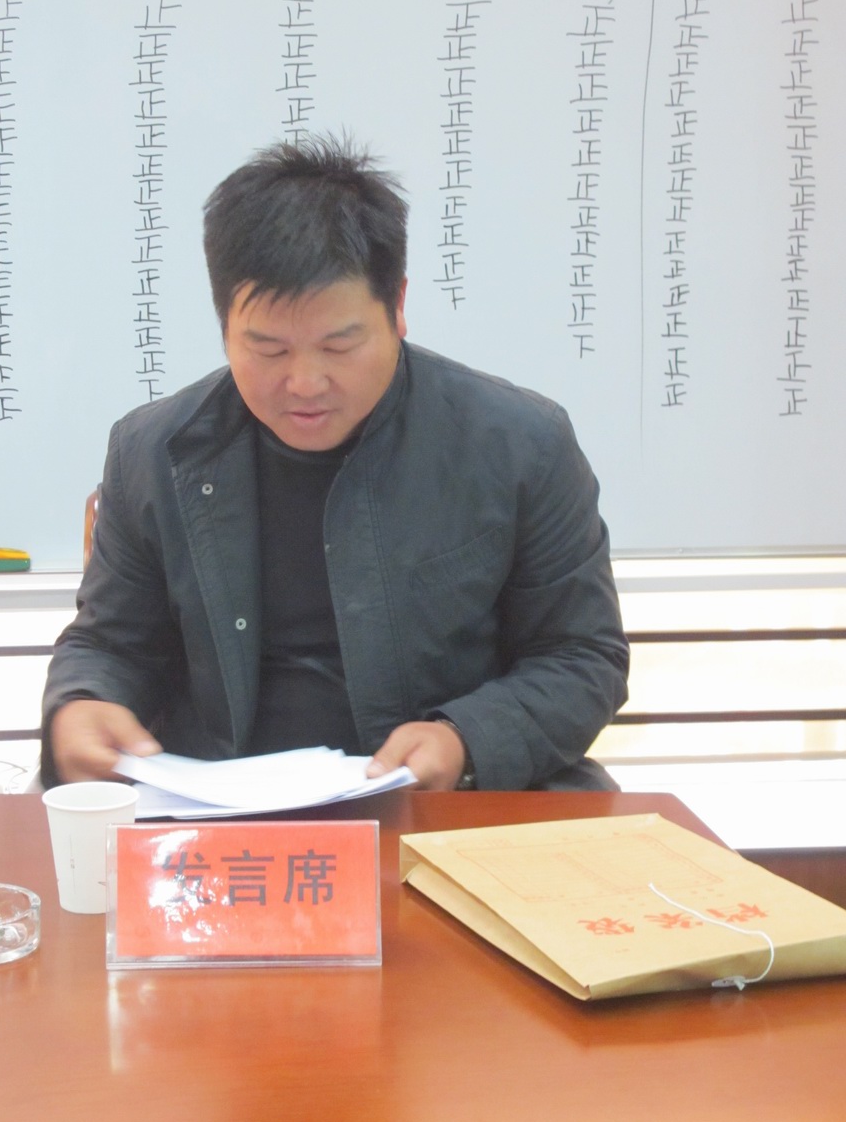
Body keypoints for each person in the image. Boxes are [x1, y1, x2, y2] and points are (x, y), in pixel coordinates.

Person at [41, 134, 628, 791]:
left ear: (398, 307)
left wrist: (464, 739)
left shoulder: (521, 445)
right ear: (224, 326)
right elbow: (111, 644)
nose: (305, 383)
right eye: (268, 349)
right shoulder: (152, 453)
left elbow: (582, 657)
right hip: (225, 808)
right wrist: (83, 701)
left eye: (339, 345)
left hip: (443, 806)